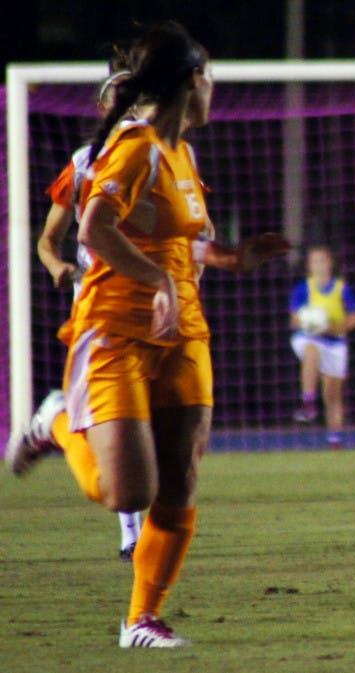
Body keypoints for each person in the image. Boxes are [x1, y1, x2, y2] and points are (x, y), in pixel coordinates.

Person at [5, 22, 290, 648]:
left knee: (181, 475)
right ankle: (53, 423)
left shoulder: (183, 151)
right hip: (115, 329)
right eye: (210, 77)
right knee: (125, 492)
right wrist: (157, 279)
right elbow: (93, 231)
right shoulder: (135, 147)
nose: (215, 89)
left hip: (183, 330)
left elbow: (188, 243)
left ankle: (140, 619)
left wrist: (235, 258)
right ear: (192, 80)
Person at [35, 52, 145, 562]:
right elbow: (48, 239)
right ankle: (131, 533)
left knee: (155, 417)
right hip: (99, 303)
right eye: (118, 102)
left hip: (153, 302)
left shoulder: (160, 155)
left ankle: (136, 532)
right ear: (103, 109)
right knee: (113, 420)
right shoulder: (82, 164)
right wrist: (57, 266)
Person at [289, 244, 355, 448]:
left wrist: (334, 327)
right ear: (309, 266)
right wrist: (312, 325)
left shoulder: (341, 289)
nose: (319, 265)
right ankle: (308, 402)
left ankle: (335, 439)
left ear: (330, 264)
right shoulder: (303, 289)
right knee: (311, 352)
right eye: (315, 261)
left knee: (332, 394)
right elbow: (294, 321)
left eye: (322, 260)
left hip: (335, 343)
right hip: (308, 337)